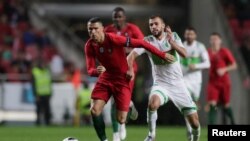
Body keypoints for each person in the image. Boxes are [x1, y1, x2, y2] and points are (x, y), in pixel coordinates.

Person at [84, 17, 171, 141]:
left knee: (121, 119)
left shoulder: (114, 39)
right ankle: (104, 139)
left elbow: (142, 43)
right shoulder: (89, 45)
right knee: (94, 110)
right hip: (105, 78)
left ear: (102, 29)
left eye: (95, 29)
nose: (92, 32)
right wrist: (96, 71)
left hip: (121, 79)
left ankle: (129, 106)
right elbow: (90, 70)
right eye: (90, 29)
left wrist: (162, 55)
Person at [127, 15, 201, 141]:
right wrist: (130, 70)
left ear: (163, 25)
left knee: (194, 123)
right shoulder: (147, 41)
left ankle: (195, 139)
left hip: (178, 85)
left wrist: (172, 43)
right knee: (152, 103)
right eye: (151, 25)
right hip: (160, 84)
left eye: (156, 24)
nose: (153, 27)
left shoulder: (173, 36)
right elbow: (130, 56)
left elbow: (184, 54)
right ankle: (151, 135)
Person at [104, 7, 144, 141]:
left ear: (124, 17)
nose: (117, 19)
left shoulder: (133, 29)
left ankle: (123, 123)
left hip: (129, 67)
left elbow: (143, 43)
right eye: (115, 16)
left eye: (119, 16)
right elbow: (100, 45)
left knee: (122, 99)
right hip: (113, 68)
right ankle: (116, 133)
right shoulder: (107, 30)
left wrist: (130, 49)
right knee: (113, 100)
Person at [181, 27, 210, 140]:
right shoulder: (181, 46)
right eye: (187, 34)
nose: (189, 36)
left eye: (191, 34)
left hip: (196, 81)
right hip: (184, 80)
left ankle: (194, 127)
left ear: (195, 35)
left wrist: (196, 66)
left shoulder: (200, 47)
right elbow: (177, 62)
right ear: (184, 35)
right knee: (187, 103)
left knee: (194, 105)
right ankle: (189, 129)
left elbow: (207, 64)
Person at [206, 32, 237, 125]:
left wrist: (224, 69)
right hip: (212, 83)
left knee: (226, 106)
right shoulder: (207, 52)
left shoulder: (225, 51)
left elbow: (234, 65)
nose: (214, 41)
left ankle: (233, 122)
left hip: (224, 83)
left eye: (216, 39)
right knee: (212, 105)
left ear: (220, 41)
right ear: (210, 41)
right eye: (212, 39)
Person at [31, 59, 52, 126]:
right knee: (39, 110)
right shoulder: (35, 72)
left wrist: (51, 93)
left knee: (47, 110)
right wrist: (35, 94)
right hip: (39, 94)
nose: (44, 65)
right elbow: (33, 84)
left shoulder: (47, 71)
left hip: (47, 94)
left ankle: (48, 123)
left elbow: (49, 83)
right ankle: (38, 123)